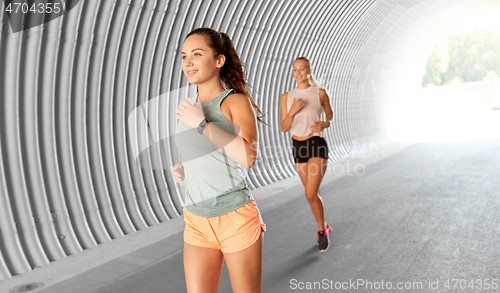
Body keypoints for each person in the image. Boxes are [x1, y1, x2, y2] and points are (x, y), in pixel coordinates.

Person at [172, 28, 265, 293]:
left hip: (235, 217)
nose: (188, 62)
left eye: (197, 54)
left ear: (218, 60)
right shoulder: (187, 106)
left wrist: (201, 123)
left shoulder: (234, 102)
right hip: (197, 220)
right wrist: (182, 168)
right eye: (184, 56)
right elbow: (200, 152)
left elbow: (248, 156)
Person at [280, 57, 334, 252]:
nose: (298, 73)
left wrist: (325, 124)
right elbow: (284, 127)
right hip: (298, 146)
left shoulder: (319, 93)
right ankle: (325, 224)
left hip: (316, 143)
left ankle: (321, 231)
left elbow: (329, 114)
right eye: (295, 70)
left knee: (310, 193)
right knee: (312, 196)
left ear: (309, 71)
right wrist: (292, 111)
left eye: (302, 69)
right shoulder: (287, 97)